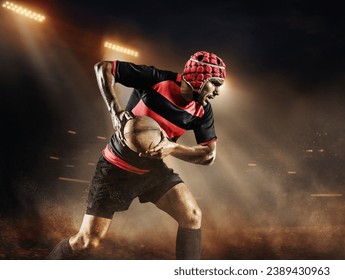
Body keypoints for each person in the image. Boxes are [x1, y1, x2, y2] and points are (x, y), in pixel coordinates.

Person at [47, 51, 227, 260]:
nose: (217, 92)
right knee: (87, 242)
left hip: (153, 170)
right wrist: (116, 110)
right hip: (115, 169)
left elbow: (208, 155)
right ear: (199, 78)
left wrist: (172, 148)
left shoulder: (203, 110)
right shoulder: (157, 79)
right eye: (215, 83)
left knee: (192, 216)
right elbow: (103, 68)